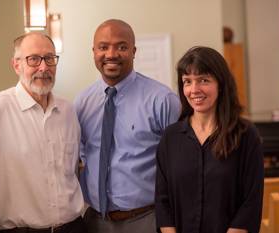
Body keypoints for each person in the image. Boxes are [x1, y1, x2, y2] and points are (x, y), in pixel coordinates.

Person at [0, 32, 87, 233]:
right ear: (16, 65)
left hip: (74, 227)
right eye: (33, 59)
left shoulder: (67, 111)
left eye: (49, 58)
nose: (43, 67)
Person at [74, 19, 181, 233]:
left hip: (146, 219)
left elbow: (179, 168)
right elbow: (80, 157)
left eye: (121, 47)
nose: (111, 54)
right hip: (95, 221)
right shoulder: (81, 103)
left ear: (134, 51)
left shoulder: (162, 100)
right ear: (93, 51)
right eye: (103, 47)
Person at [155, 46, 264, 233]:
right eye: (187, 81)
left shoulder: (246, 135)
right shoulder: (170, 138)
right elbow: (162, 201)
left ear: (220, 84)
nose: (194, 89)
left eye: (203, 80)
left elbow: (251, 201)